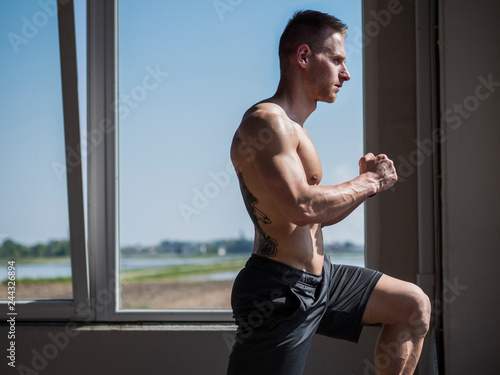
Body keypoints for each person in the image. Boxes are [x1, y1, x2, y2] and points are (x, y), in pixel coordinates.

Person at [227, 10, 431, 375]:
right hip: (278, 289)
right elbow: (301, 206)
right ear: (304, 57)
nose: (346, 73)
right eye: (337, 60)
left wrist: (362, 188)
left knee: (412, 305)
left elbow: (318, 214)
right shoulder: (266, 121)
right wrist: (369, 182)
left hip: (323, 279)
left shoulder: (296, 128)